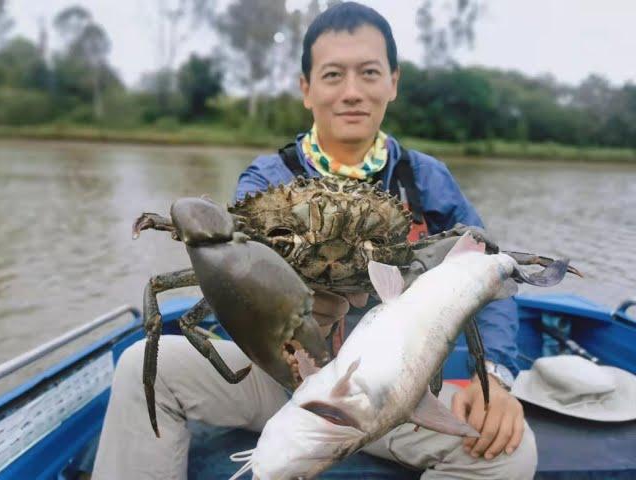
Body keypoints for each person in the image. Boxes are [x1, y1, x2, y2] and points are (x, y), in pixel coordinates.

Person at [92, 3, 536, 479]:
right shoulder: (267, 181)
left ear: (393, 82)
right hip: (279, 373)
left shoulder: (426, 180)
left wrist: (492, 378)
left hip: (389, 391)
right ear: (306, 89)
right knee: (144, 365)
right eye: (332, 75)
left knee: (510, 449)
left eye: (368, 72)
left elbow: (483, 269)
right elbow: (230, 284)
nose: (351, 92)